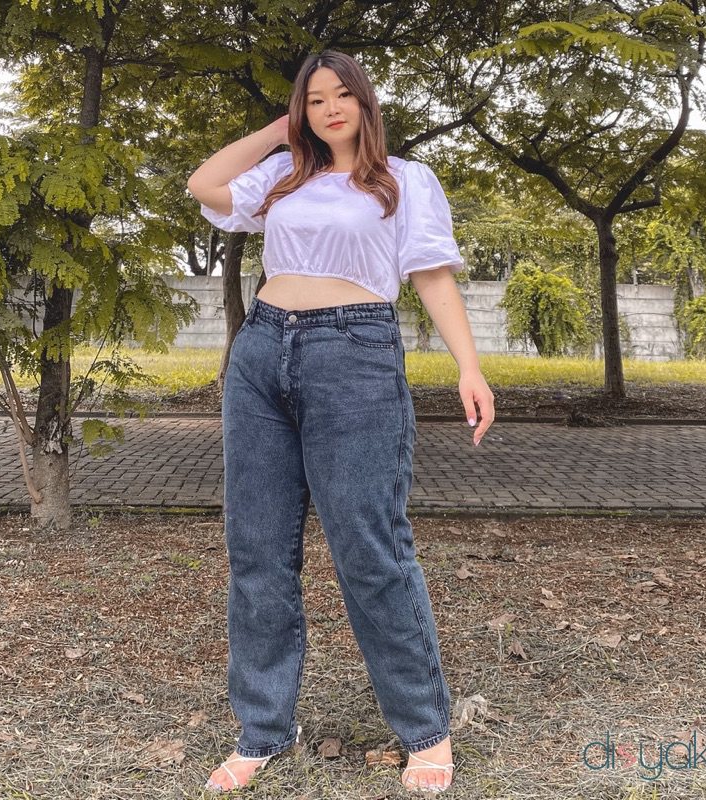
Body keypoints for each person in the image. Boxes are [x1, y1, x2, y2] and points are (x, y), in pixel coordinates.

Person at [187, 49, 495, 795]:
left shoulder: (404, 180)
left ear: (364, 103)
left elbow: (431, 275)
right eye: (314, 98)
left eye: (341, 95)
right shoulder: (283, 174)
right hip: (262, 351)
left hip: (354, 355)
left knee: (370, 549)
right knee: (257, 550)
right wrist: (277, 129)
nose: (329, 108)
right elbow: (205, 184)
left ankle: (425, 729)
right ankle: (263, 729)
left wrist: (469, 365)